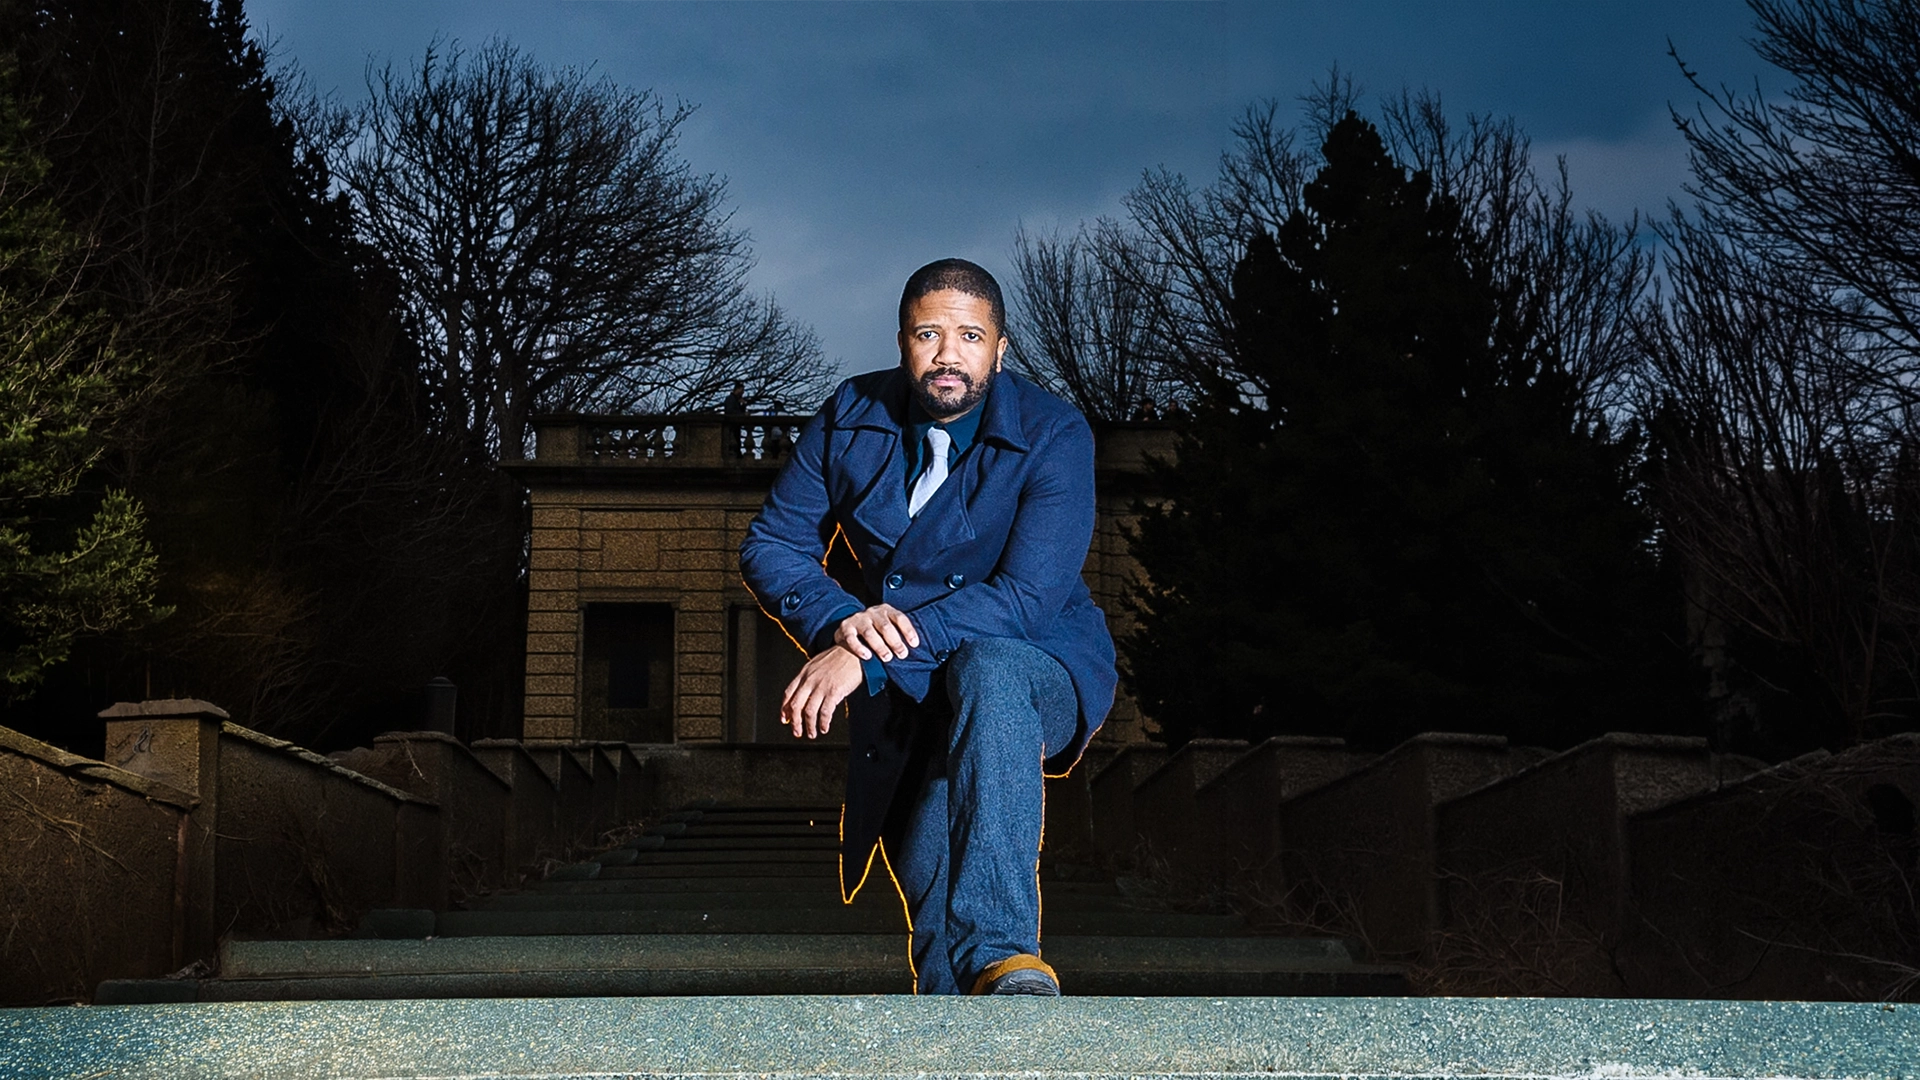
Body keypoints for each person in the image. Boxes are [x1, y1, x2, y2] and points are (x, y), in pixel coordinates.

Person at [738, 258, 1116, 995]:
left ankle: (1010, 957)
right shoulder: (850, 414)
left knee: (989, 668)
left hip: (1036, 664)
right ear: (902, 342)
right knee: (933, 901)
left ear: (1000, 349)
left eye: (970, 336)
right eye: (927, 335)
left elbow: (1024, 599)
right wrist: (844, 622)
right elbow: (773, 544)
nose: (948, 354)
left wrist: (870, 658)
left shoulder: (1054, 432)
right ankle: (959, 1023)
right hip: (914, 696)